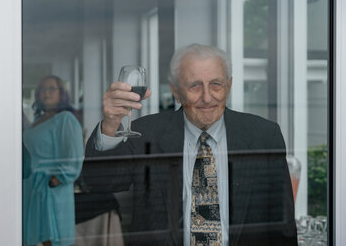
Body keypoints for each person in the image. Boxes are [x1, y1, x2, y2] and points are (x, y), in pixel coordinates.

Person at [84, 44, 297, 245]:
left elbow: (283, 225)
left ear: (228, 86)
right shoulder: (146, 134)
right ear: (176, 91)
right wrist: (110, 125)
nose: (206, 97)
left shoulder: (264, 135)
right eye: (195, 86)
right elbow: (101, 183)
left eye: (216, 84)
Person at [23, 75, 84, 246]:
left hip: (50, 191)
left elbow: (75, 157)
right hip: (31, 188)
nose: (46, 93)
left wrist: (54, 181)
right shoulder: (37, 121)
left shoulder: (65, 119)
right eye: (42, 89)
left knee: (51, 238)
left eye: (51, 88)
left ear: (61, 94)